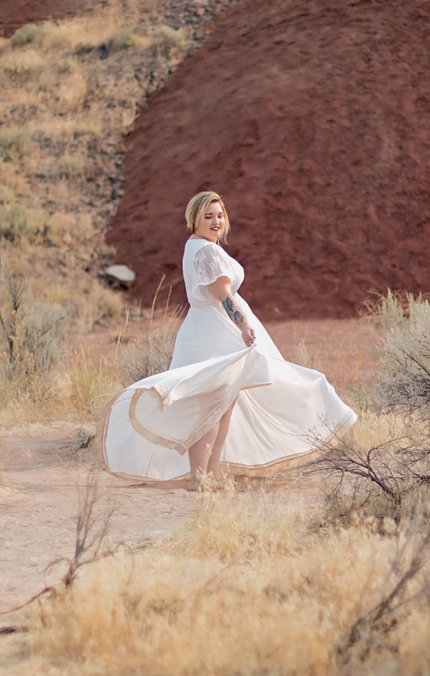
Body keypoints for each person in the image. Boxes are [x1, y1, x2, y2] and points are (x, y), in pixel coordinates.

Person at [101, 191, 357, 489]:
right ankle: (200, 478)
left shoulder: (197, 247)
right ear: (194, 219)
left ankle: (208, 475)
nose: (215, 221)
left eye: (219, 215)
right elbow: (223, 294)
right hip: (215, 333)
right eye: (208, 216)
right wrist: (244, 323)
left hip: (209, 329)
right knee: (213, 407)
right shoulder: (206, 251)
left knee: (222, 406)